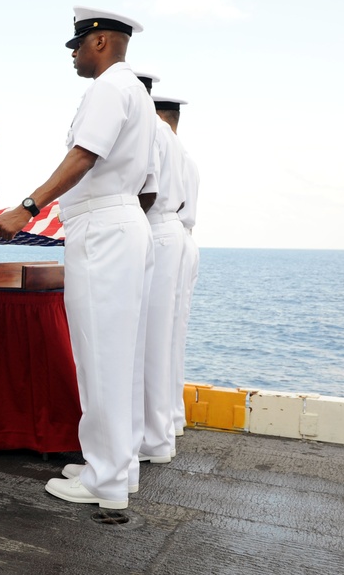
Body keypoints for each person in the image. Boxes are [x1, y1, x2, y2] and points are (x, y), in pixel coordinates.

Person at [0, 7, 156, 510]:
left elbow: (83, 156)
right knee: (119, 358)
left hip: (105, 230)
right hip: (123, 222)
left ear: (100, 42)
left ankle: (104, 481)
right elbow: (146, 185)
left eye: (77, 45)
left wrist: (26, 207)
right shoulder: (137, 94)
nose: (74, 54)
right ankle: (116, 466)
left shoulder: (108, 88)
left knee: (100, 355)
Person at [136, 78, 187, 466]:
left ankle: (153, 439)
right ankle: (165, 427)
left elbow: (146, 189)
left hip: (154, 227)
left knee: (149, 341)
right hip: (173, 229)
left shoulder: (150, 131)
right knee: (164, 339)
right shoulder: (174, 141)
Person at [154, 95, 198, 439]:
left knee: (154, 337)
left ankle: (159, 427)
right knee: (171, 336)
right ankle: (171, 418)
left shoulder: (159, 144)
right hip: (183, 237)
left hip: (163, 235)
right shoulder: (185, 155)